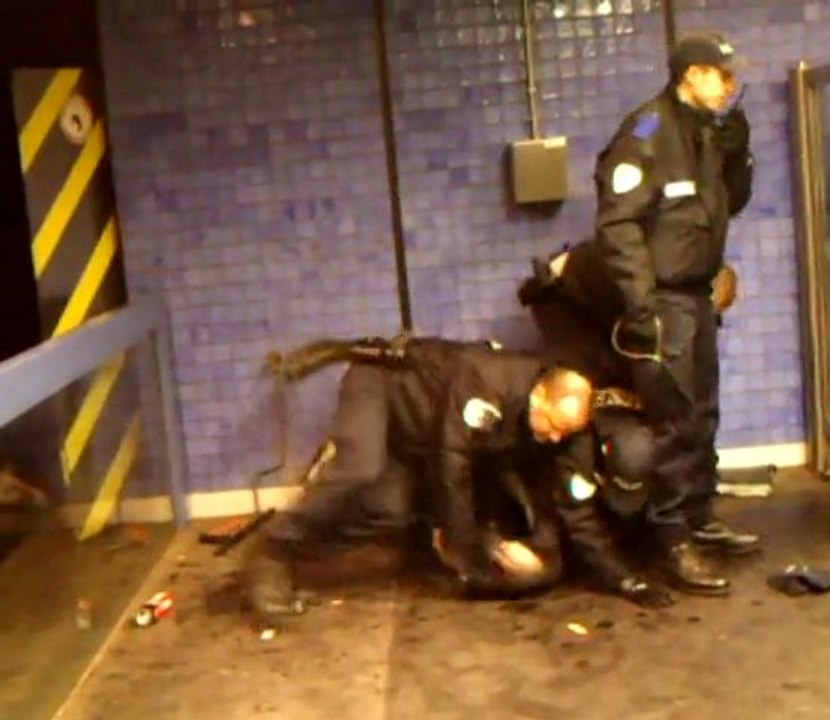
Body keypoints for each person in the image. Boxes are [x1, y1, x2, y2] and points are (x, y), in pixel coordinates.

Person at [517, 30, 759, 596]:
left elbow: (734, 202)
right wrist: (640, 304)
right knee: (673, 420)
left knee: (701, 411)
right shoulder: (646, 133)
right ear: (691, 74)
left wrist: (738, 153)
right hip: (665, 300)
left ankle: (700, 517)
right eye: (722, 74)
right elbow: (618, 225)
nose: (731, 85)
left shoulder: (706, 133)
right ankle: (671, 539)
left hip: (697, 295)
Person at [241, 335, 595, 619]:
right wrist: (468, 554)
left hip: (411, 429)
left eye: (564, 434)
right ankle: (272, 549)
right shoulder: (487, 381)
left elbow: (502, 477)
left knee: (390, 510)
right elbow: (452, 463)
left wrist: (536, 549)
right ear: (540, 397)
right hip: (377, 383)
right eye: (553, 427)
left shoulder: (535, 416)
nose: (555, 439)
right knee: (360, 467)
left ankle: (295, 556)